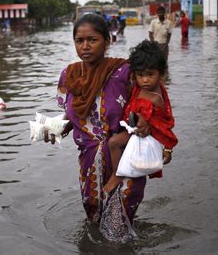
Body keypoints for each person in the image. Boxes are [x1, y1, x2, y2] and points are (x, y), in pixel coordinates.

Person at [45, 14, 151, 238]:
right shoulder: (69, 76)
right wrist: (55, 129)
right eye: (79, 40)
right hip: (89, 162)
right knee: (95, 223)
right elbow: (74, 117)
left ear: (107, 41)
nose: (85, 46)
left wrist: (145, 121)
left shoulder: (125, 73)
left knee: (117, 231)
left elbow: (152, 105)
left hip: (124, 158)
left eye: (92, 40)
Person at [104, 40, 178, 193]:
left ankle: (116, 175)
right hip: (133, 130)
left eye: (150, 75)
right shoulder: (138, 86)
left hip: (144, 136)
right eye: (140, 75)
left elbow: (164, 124)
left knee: (113, 143)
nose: (145, 80)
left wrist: (168, 149)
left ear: (161, 74)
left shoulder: (155, 98)